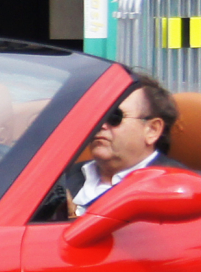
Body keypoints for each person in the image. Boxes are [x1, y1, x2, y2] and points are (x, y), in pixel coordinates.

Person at [66, 77, 194, 215]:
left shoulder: (179, 189)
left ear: (152, 130)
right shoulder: (61, 177)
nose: (101, 125)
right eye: (97, 116)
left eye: (115, 117)